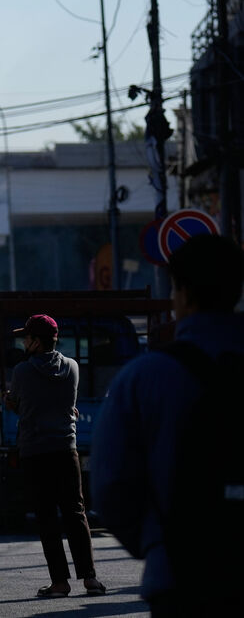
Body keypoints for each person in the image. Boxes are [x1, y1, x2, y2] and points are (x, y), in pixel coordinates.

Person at [92, 234, 244, 616]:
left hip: (181, 577)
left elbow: (111, 486)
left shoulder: (145, 377)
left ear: (184, 293)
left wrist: (158, 544)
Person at [5, 314, 105, 598]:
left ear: (36, 341)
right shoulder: (72, 367)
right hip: (66, 449)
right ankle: (90, 579)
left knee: (47, 517)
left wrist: (9, 401)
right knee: (76, 513)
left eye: (26, 337)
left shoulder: (22, 371)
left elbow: (18, 404)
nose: (23, 341)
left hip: (36, 452)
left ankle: (60, 582)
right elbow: (66, 405)